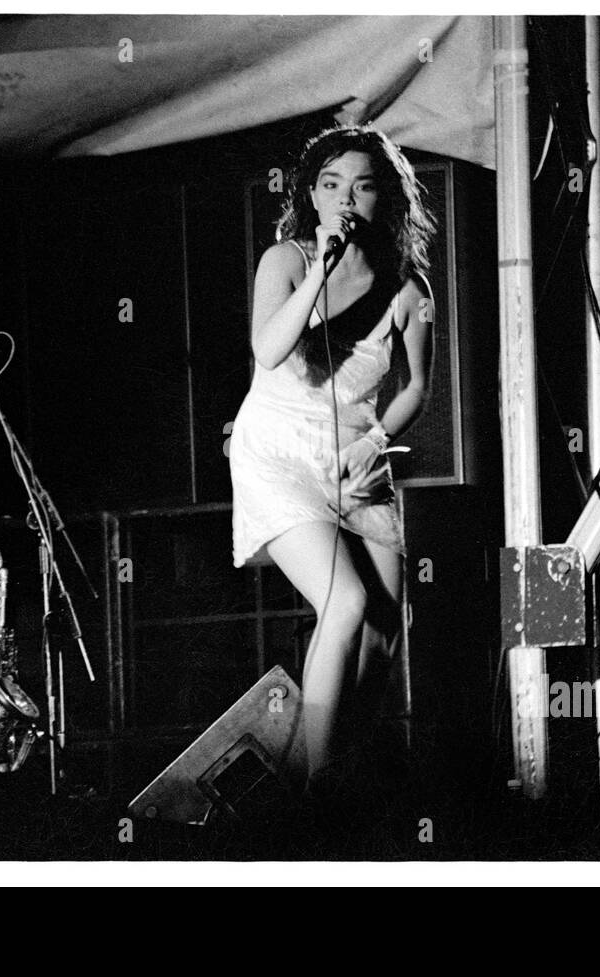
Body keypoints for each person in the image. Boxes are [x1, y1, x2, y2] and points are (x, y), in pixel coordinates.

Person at [229, 123, 436, 790]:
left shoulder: (410, 289)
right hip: (280, 452)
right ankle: (320, 792)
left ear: (386, 201)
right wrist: (320, 268)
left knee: (381, 632)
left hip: (356, 459)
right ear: (312, 196)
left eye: (364, 186)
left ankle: (350, 761)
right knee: (343, 601)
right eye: (331, 183)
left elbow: (417, 389)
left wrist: (376, 443)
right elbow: (268, 350)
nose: (347, 198)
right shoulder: (285, 261)